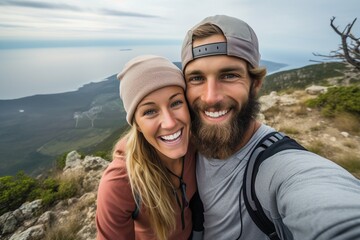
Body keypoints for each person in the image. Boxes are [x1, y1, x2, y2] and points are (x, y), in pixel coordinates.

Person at [181, 15, 360, 240]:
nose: (210, 97)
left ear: (255, 84)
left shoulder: (280, 168)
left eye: (229, 75)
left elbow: (333, 210)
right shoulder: (180, 146)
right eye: (196, 78)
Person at [96, 55, 199, 240]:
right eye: (150, 111)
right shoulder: (120, 183)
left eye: (176, 103)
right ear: (136, 124)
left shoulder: (197, 145)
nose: (169, 123)